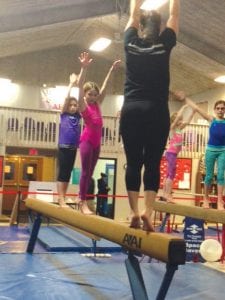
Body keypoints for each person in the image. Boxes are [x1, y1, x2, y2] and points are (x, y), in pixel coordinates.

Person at [120, 0, 180, 231]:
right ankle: (148, 211)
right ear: (162, 26)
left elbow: (132, 16)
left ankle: (134, 212)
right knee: (153, 163)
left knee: (134, 163)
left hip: (132, 108)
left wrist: (136, 3)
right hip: (157, 110)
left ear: (140, 26)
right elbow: (175, 14)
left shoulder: (130, 43)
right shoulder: (165, 44)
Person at [77, 52, 121, 214]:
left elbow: (105, 88)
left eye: (95, 95)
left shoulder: (97, 104)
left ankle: (82, 198)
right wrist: (84, 68)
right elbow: (80, 86)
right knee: (85, 172)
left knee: (90, 174)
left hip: (96, 144)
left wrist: (112, 70)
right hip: (86, 141)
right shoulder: (84, 106)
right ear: (85, 95)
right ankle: (82, 201)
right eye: (90, 94)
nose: (93, 97)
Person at [174, 91, 225, 210]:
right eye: (218, 108)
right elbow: (196, 107)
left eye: (222, 108)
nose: (220, 110)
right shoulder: (211, 119)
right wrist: (185, 97)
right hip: (211, 150)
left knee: (221, 175)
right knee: (209, 176)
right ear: (214, 110)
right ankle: (206, 199)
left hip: (223, 150)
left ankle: (219, 201)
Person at [161, 104, 195, 202]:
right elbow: (176, 120)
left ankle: (164, 194)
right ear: (174, 120)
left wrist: (194, 111)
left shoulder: (179, 129)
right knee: (170, 174)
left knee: (169, 174)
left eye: (181, 119)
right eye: (179, 120)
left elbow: (188, 121)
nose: (181, 121)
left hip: (174, 154)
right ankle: (167, 195)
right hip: (171, 153)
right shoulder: (172, 128)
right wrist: (183, 108)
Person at [57, 73, 81, 207]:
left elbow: (83, 101)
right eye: (71, 105)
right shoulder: (64, 114)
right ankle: (60, 198)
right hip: (63, 147)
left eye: (75, 105)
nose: (73, 107)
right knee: (62, 172)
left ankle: (63, 197)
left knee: (68, 173)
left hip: (73, 148)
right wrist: (71, 84)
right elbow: (66, 98)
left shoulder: (78, 116)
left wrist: (80, 84)